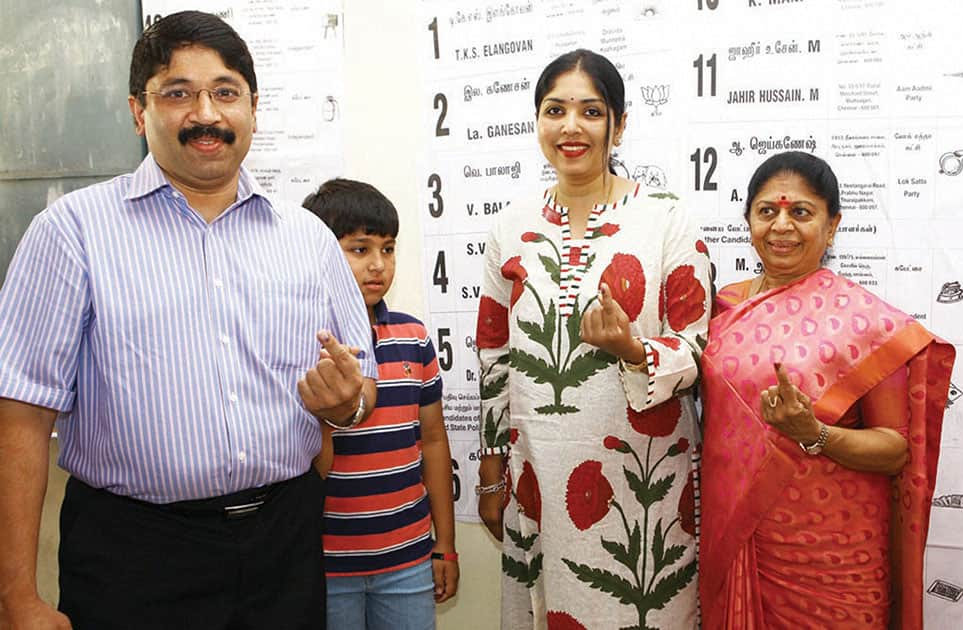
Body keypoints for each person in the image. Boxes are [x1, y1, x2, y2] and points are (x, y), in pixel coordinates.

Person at [0, 11, 377, 630]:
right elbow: (20, 416)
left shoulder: (308, 238)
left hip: (285, 542)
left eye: (225, 92)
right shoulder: (72, 233)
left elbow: (362, 390)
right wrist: (17, 598)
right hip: (133, 554)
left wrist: (344, 408)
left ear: (253, 107)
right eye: (178, 93)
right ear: (137, 110)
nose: (206, 114)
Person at [475, 49, 711, 629]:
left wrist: (635, 351)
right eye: (555, 110)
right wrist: (489, 471)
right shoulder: (511, 226)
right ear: (538, 122)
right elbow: (493, 358)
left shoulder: (666, 219)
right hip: (538, 477)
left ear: (619, 124)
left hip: (644, 479)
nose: (571, 127)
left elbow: (699, 347)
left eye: (591, 111)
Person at [698, 151, 955, 629]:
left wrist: (813, 432)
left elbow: (895, 449)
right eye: (767, 211)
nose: (781, 226)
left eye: (801, 212)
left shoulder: (864, 323)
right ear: (748, 219)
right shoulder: (721, 308)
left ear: (832, 225)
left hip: (833, 557)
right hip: (740, 537)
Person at [302, 179, 459, 630]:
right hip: (327, 563)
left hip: (408, 559)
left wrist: (443, 544)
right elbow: (312, 468)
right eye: (359, 249)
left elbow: (432, 441)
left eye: (387, 249)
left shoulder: (413, 338)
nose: (378, 265)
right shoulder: (304, 345)